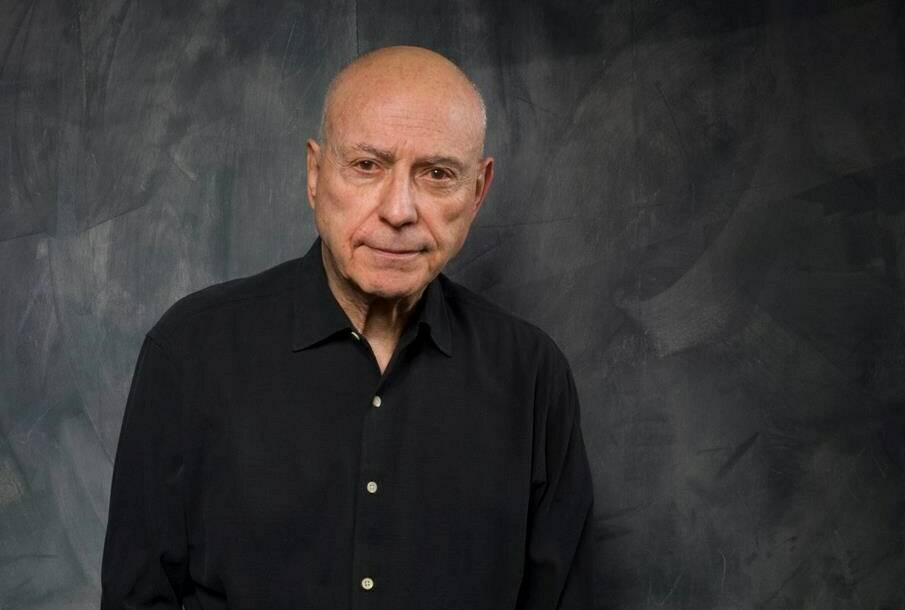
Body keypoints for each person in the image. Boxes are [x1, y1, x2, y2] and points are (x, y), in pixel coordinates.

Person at [101, 45, 595, 609]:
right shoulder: (190, 352)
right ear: (315, 173)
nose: (399, 210)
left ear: (477, 191)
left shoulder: (533, 376)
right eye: (367, 166)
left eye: (437, 174)